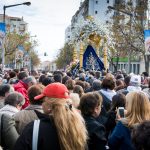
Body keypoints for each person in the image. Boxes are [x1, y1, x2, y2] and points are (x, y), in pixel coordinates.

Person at [14, 83, 88, 150]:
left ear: (50, 104)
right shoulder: (78, 125)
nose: (42, 104)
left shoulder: (35, 128)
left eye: (43, 101)